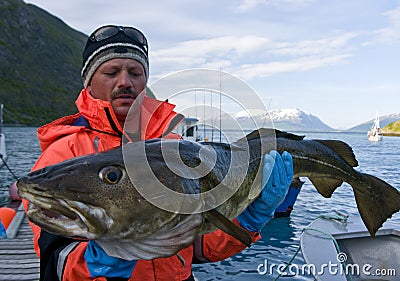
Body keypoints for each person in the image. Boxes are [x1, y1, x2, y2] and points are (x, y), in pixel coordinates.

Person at [22, 25, 294, 281]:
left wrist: (248, 220)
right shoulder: (62, 153)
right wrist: (95, 263)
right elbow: (56, 264)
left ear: (145, 81)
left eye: (135, 72)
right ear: (89, 83)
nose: (125, 81)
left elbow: (198, 247)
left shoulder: (174, 145)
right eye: (111, 72)